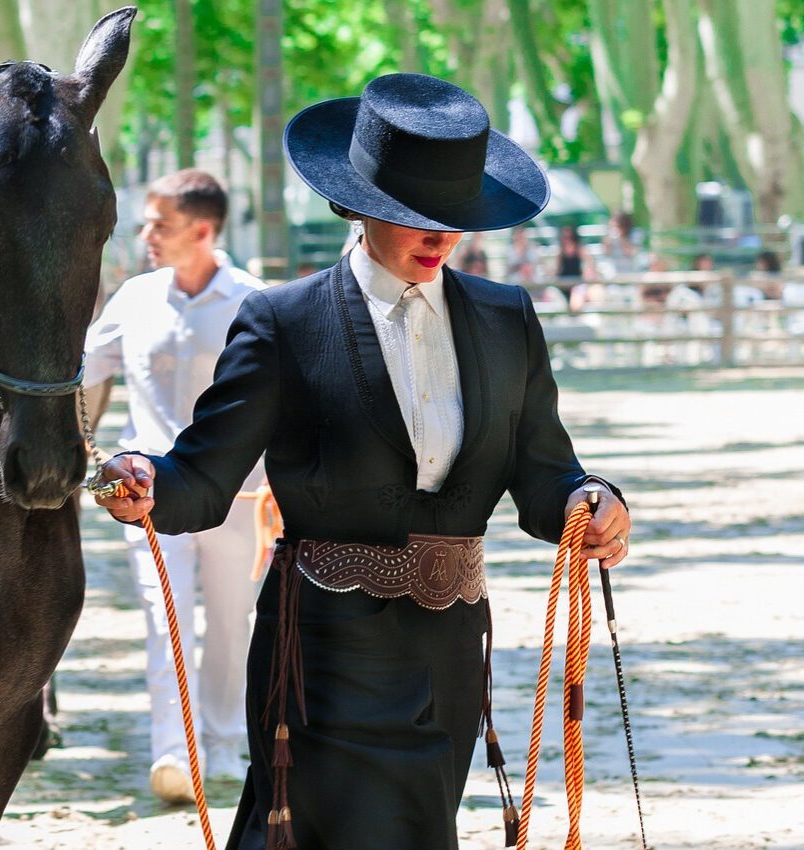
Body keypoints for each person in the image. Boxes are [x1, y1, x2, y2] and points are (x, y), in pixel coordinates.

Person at [93, 74, 630, 849]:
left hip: (450, 650)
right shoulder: (282, 322)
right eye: (416, 214)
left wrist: (592, 501)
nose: (438, 233)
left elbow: (544, 475)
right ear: (358, 202)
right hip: (324, 645)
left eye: (453, 214)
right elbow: (203, 476)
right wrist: (144, 485)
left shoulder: (506, 319)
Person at [83, 168, 267, 803]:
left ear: (203, 229)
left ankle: (221, 743)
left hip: (241, 498)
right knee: (165, 621)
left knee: (230, 622)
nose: (146, 235)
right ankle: (174, 748)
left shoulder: (255, 302)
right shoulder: (133, 299)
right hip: (146, 497)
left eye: (159, 224)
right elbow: (77, 373)